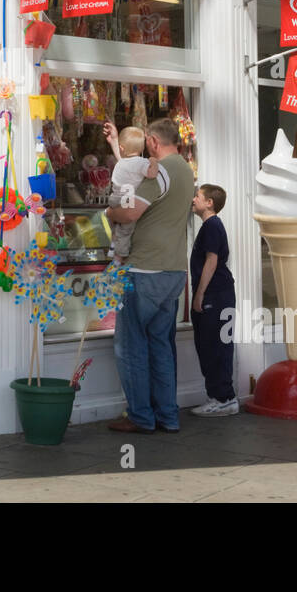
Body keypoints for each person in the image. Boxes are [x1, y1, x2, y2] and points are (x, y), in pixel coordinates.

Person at [103, 118, 195, 434]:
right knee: (161, 345)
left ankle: (141, 417)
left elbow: (129, 211)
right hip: (174, 270)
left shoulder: (160, 171)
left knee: (130, 347)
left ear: (153, 142)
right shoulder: (185, 170)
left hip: (144, 270)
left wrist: (109, 212)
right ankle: (168, 416)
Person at [189, 184, 236, 416]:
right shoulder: (211, 226)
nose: (193, 199)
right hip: (219, 294)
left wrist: (199, 294)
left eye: (197, 196)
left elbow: (212, 261)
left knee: (214, 346)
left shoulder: (212, 226)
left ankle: (223, 398)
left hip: (215, 296)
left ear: (209, 203)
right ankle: (220, 396)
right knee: (214, 345)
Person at [104, 125, 161, 260]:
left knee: (115, 224)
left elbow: (121, 156)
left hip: (114, 198)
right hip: (127, 199)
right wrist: (153, 160)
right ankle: (119, 256)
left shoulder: (121, 162)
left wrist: (114, 141)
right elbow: (152, 174)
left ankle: (112, 244)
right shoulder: (141, 163)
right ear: (142, 149)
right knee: (125, 230)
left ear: (122, 148)